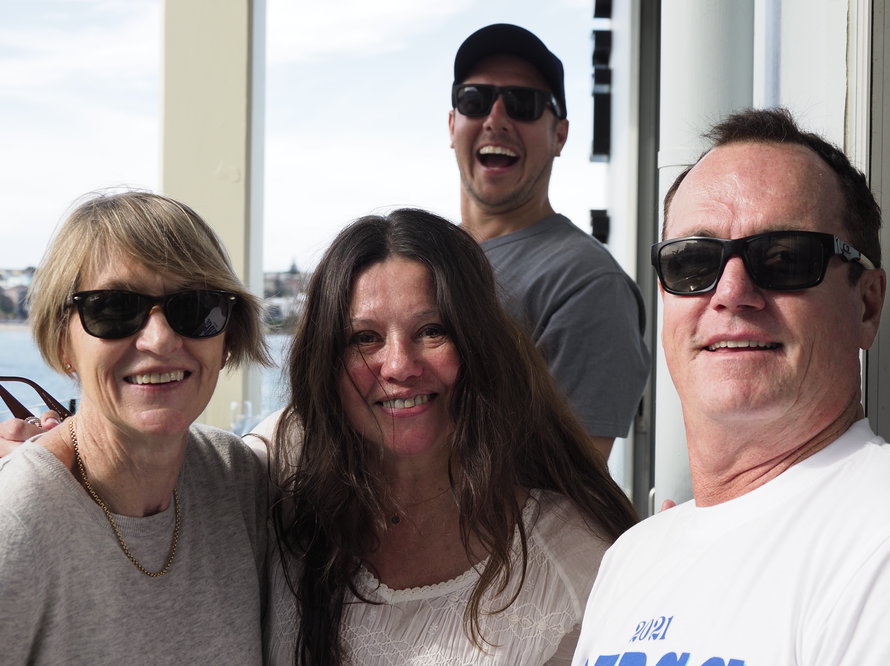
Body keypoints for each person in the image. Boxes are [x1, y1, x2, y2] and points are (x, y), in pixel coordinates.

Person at [572, 108, 890, 664]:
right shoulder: (632, 558)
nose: (730, 293)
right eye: (693, 262)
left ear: (867, 305)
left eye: (784, 257)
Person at [253, 208, 638, 665]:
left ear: (480, 347)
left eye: (431, 331)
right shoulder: (283, 463)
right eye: (364, 338)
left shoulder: (572, 560)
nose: (398, 365)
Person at [0, 191, 276, 663]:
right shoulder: (16, 527)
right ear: (62, 341)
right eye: (113, 308)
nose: (161, 339)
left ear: (228, 337)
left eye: (195, 308)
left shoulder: (239, 481)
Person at [449, 23, 650, 459]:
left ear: (560, 135)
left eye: (523, 104)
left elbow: (563, 501)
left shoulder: (588, 285)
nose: (496, 119)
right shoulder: (426, 261)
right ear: (452, 124)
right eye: (474, 100)